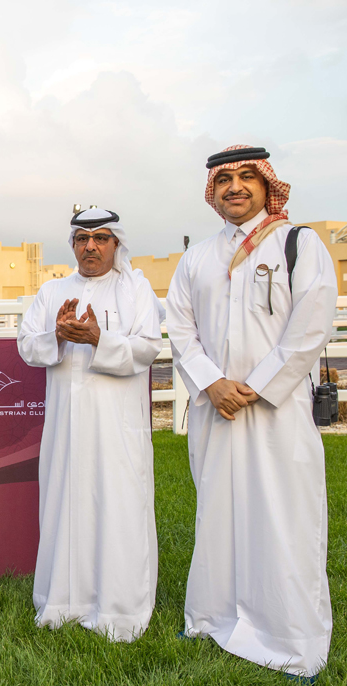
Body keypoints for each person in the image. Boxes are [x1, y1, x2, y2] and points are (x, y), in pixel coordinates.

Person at [166, 145, 336, 679]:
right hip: (217, 410)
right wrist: (213, 384)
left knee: (284, 516)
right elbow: (180, 328)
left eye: (246, 178)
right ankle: (212, 619)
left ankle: (288, 637)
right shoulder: (197, 258)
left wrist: (257, 387)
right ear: (212, 192)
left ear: (267, 185)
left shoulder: (299, 244)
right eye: (224, 180)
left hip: (277, 412)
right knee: (218, 515)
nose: (235, 187)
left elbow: (311, 327)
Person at [19, 207, 163, 642]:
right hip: (66, 428)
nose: (91, 246)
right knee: (66, 500)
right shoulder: (51, 291)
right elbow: (28, 345)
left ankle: (120, 605)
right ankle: (63, 600)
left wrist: (101, 339)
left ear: (116, 244)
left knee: (118, 502)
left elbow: (149, 346)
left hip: (118, 427)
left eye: (101, 238)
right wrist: (58, 336)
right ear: (73, 246)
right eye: (82, 239)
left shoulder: (136, 289)